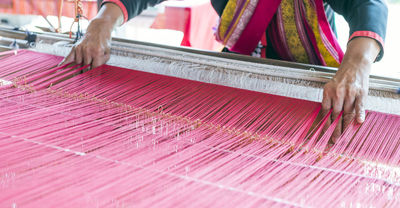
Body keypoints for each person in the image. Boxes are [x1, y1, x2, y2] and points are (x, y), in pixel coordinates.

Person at [62, 0, 388, 143]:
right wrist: (101, 24)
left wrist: (357, 65)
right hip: (240, 72)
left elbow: (368, 5)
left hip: (310, 86)